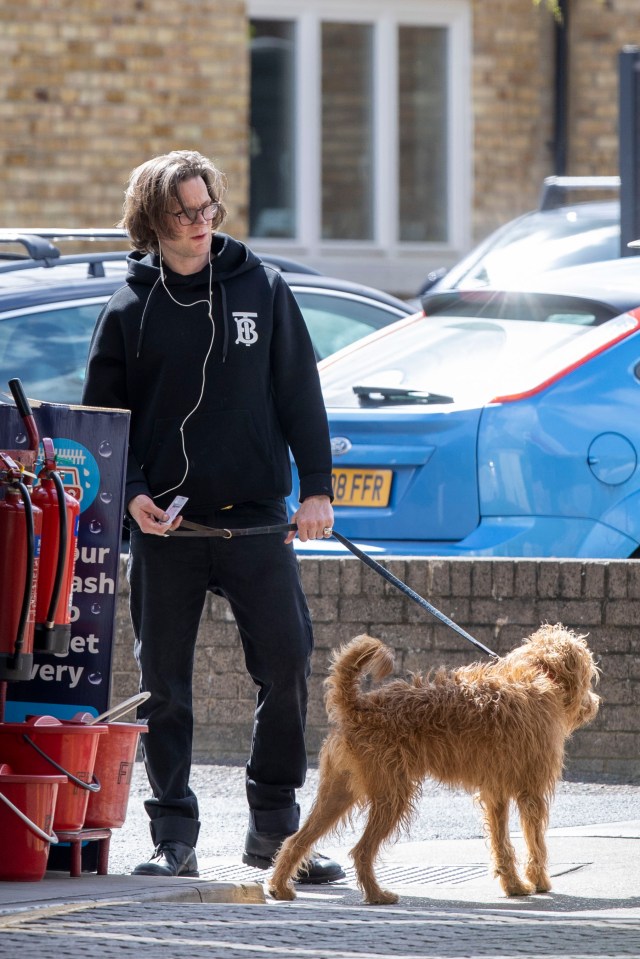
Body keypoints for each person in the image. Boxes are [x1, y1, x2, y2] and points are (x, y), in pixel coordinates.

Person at [82, 150, 344, 883]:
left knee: (288, 661)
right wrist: (131, 491)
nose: (201, 225)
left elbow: (300, 393)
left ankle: (274, 832)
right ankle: (172, 835)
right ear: (152, 221)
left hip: (257, 520)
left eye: (209, 210)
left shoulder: (262, 286)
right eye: (184, 214)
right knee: (164, 681)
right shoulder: (129, 307)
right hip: (168, 530)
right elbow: (106, 418)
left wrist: (316, 487)